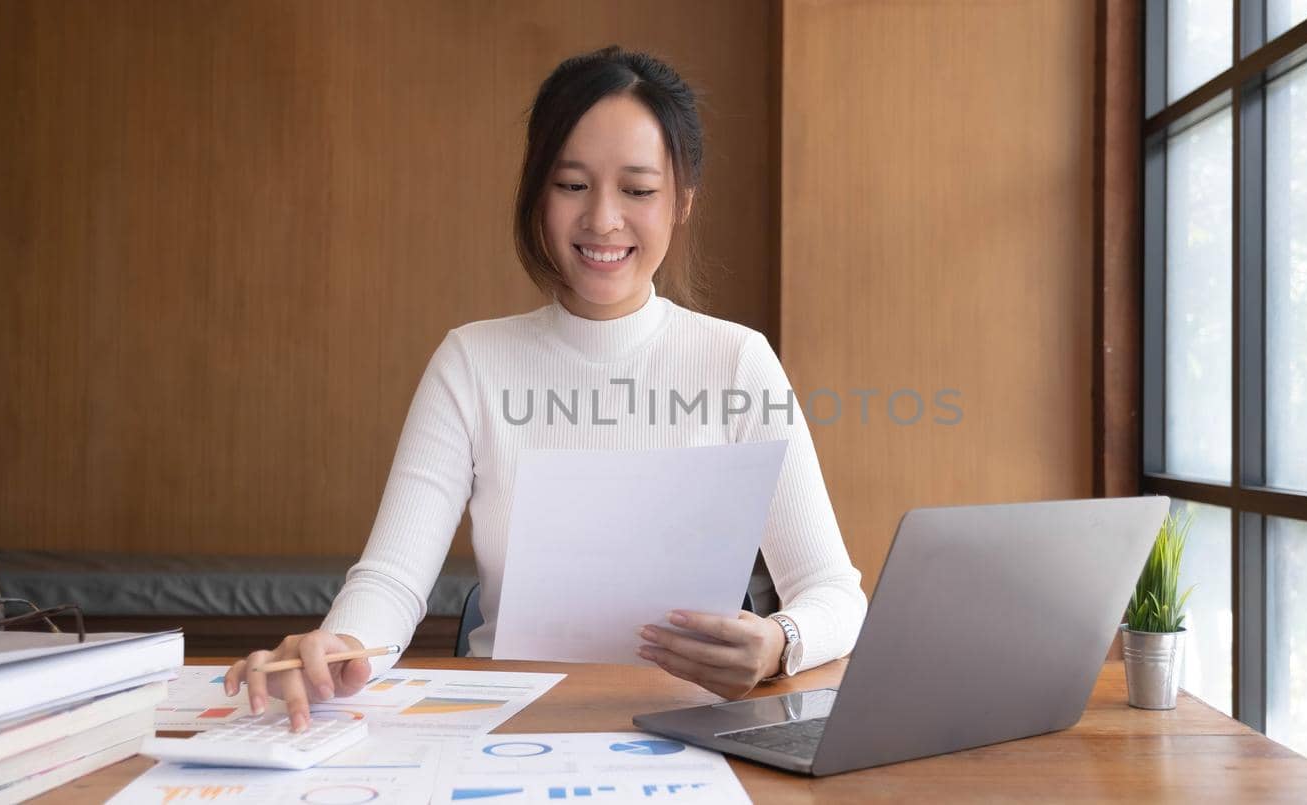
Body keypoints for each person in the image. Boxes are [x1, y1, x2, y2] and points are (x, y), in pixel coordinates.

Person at [225, 45, 866, 731]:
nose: (602, 220)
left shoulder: (737, 361)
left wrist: (777, 643)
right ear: (537, 191)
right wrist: (343, 646)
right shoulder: (472, 361)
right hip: (505, 729)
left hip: (688, 737)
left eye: (639, 190)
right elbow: (392, 579)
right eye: (571, 185)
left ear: (681, 202)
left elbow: (834, 592)